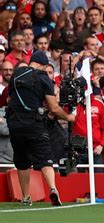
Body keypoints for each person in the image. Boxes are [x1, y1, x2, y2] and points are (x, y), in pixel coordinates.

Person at [6, 51, 75, 206]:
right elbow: (54, 108)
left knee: (22, 161)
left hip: (15, 124)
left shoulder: (16, 74)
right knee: (45, 159)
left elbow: (10, 98)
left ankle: (25, 197)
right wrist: (69, 117)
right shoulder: (43, 77)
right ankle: (53, 188)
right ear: (44, 65)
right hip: (35, 123)